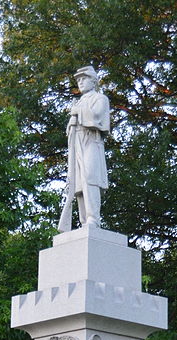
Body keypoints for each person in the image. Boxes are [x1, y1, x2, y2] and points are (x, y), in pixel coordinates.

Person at [59, 66, 110, 230]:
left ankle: (93, 218)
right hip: (77, 143)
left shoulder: (100, 99)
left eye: (84, 79)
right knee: (78, 183)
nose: (80, 82)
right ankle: (83, 220)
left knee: (90, 178)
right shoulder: (80, 102)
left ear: (93, 81)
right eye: (78, 80)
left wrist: (77, 112)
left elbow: (96, 117)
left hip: (91, 141)